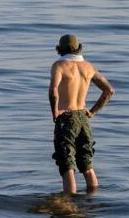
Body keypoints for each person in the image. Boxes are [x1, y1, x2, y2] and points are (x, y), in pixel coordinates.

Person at [48, 33, 113, 194]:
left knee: (67, 166)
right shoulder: (88, 67)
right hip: (83, 119)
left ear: (59, 49)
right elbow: (109, 90)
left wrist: (55, 112)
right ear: (78, 48)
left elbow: (54, 90)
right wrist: (92, 112)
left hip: (66, 118)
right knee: (86, 164)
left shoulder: (59, 66)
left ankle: (70, 207)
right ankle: (92, 202)